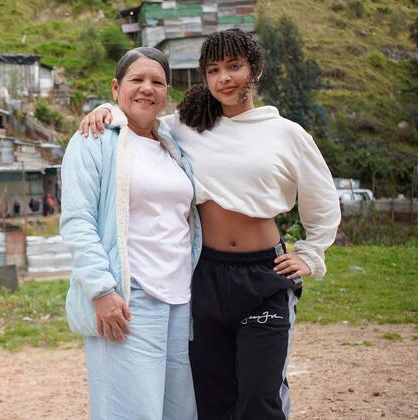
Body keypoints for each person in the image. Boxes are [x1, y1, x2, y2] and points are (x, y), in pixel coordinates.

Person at [80, 29, 341, 420]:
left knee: (259, 394)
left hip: (264, 276)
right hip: (204, 275)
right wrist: (107, 109)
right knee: (210, 394)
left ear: (255, 69)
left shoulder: (287, 134)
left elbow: (322, 202)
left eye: (234, 67)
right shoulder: (187, 125)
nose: (224, 78)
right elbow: (141, 114)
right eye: (214, 70)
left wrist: (311, 253)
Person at [61, 47, 202, 420]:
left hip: (180, 298)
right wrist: (101, 291)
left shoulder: (173, 144)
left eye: (157, 82)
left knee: (179, 411)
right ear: (116, 86)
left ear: (167, 92)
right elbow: (78, 221)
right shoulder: (93, 140)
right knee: (130, 412)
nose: (147, 88)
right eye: (137, 80)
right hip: (128, 297)